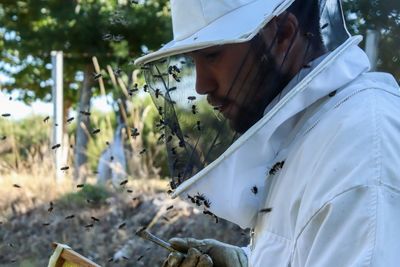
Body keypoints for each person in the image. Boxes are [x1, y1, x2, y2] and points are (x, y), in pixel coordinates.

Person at [134, 0, 400, 266]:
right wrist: (246, 261)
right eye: (194, 60)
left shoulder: (360, 144)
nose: (201, 85)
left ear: (283, 33)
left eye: (212, 55)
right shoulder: (305, 132)